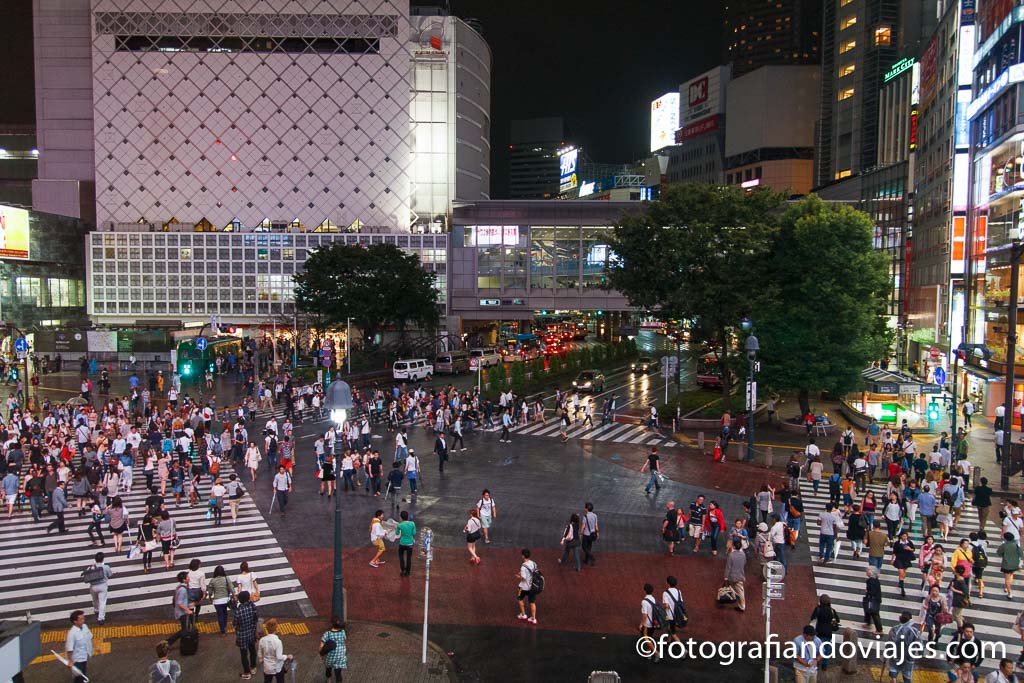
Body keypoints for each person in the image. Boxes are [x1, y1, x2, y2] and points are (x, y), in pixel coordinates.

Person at [886, 611, 922, 683]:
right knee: (907, 673)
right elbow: (920, 643)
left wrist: (888, 652)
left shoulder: (895, 629)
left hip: (896, 655)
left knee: (894, 668)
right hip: (909, 656)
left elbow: (890, 643)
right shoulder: (914, 631)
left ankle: (894, 680)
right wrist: (921, 652)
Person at [258, 618, 294, 683]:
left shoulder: (262, 640)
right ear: (276, 629)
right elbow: (279, 657)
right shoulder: (278, 642)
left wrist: (262, 660)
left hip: (267, 667)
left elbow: (259, 654)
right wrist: (287, 656)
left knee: (267, 681)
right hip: (277, 667)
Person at [234, 591, 259, 680]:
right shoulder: (253, 607)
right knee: (252, 650)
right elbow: (256, 619)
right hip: (252, 632)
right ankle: (253, 667)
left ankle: (247, 672)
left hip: (242, 635)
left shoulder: (238, 611)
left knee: (244, 654)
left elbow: (235, 624)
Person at [809, 595, 839, 670]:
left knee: (817, 648)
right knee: (826, 649)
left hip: (818, 631)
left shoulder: (818, 609)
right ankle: (824, 665)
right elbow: (837, 620)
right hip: (828, 632)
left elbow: (812, 618)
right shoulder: (832, 610)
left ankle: (816, 662)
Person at [83, 552, 112, 625]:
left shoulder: (91, 567)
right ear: (103, 559)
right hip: (102, 586)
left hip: (93, 586)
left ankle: (96, 610)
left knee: (95, 599)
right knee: (102, 602)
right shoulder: (106, 567)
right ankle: (101, 618)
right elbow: (110, 574)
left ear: (95, 559)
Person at [165, 572, 194, 648]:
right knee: (185, 630)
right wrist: (187, 610)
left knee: (185, 629)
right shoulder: (182, 590)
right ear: (184, 580)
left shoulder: (180, 587)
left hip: (181, 612)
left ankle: (182, 643)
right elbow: (179, 603)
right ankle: (168, 642)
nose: (189, 578)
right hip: (182, 613)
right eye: (187, 577)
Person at [65, 610, 93, 683]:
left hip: (85, 656)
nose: (83, 621)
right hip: (77, 659)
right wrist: (70, 661)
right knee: (79, 677)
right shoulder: (72, 633)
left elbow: (89, 637)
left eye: (83, 618)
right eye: (81, 619)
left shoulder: (85, 626)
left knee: (83, 673)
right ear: (75, 621)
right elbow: (69, 649)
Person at [320, 616, 347, 682]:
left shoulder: (327, 634)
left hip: (329, 657)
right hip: (340, 657)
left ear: (332, 624)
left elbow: (321, 646)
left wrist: (321, 653)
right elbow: (344, 640)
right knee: (338, 673)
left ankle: (328, 680)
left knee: (328, 668)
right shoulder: (343, 632)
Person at [208, 565, 234, 635]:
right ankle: (224, 626)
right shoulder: (226, 578)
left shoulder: (212, 580)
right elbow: (231, 587)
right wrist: (234, 595)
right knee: (225, 613)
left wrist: (210, 597)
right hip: (225, 600)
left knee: (220, 615)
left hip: (217, 601)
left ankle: (222, 630)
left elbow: (210, 591)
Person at [516, 548, 539, 625]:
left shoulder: (523, 567)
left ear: (523, 556)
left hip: (522, 587)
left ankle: (523, 614)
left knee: (519, 598)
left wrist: (518, 576)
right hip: (532, 587)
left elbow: (523, 577)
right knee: (532, 602)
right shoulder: (534, 563)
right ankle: (533, 618)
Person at [724, 537, 747, 612]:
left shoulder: (731, 555)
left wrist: (726, 577)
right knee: (740, 591)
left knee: (733, 588)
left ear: (733, 546)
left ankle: (738, 603)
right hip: (740, 575)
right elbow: (744, 563)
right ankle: (741, 605)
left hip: (732, 576)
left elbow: (728, 567)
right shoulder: (743, 555)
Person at [661, 575, 686, 643]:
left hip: (670, 616)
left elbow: (666, 606)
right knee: (671, 629)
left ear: (667, 583)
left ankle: (683, 650)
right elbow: (681, 602)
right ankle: (668, 640)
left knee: (673, 632)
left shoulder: (665, 593)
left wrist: (662, 608)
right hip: (677, 614)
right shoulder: (678, 591)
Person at [998, 531, 1021, 599]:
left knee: (1007, 579)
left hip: (1006, 564)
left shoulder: (1004, 545)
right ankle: (1007, 587)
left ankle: (1009, 592)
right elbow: (1020, 554)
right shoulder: (1016, 545)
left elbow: (999, 553)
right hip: (1015, 564)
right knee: (1011, 575)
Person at [862, 566, 884, 638]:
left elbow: (873, 591)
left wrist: (867, 591)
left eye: (867, 571)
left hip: (873, 600)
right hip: (875, 599)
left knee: (874, 614)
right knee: (868, 611)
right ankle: (868, 623)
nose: (866, 572)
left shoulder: (871, 581)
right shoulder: (875, 580)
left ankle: (879, 629)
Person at [396, 510, 416, 577]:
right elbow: (414, 533)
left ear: (401, 517)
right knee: (409, 558)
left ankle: (402, 570)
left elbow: (397, 533)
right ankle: (407, 572)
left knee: (401, 557)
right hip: (410, 544)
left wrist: (397, 528)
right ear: (408, 517)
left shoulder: (400, 525)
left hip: (402, 543)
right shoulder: (412, 523)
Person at [581, 501, 599, 566]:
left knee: (584, 547)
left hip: (586, 534)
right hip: (592, 534)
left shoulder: (585, 516)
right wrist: (597, 533)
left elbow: (583, 526)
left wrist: (581, 533)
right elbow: (596, 525)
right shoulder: (595, 515)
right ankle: (586, 560)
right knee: (589, 547)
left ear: (586, 509)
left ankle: (591, 556)